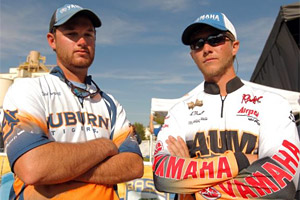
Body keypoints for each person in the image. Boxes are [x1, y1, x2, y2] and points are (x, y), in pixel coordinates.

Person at [1, 4, 143, 199]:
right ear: (52, 41)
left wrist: (60, 171)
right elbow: (33, 167)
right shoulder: (28, 89)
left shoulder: (111, 105)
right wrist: (104, 146)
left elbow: (133, 166)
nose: (82, 41)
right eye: (72, 33)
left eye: (89, 34)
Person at [153, 12, 300, 200]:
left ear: (234, 46)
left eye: (215, 39)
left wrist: (193, 185)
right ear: (192, 55)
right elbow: (164, 176)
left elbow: (281, 180)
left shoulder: (272, 104)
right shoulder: (179, 112)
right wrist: (243, 160)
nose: (206, 48)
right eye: (198, 44)